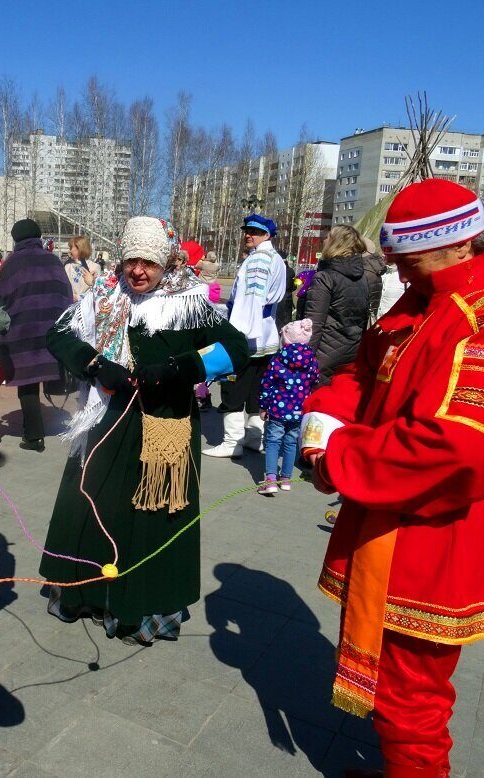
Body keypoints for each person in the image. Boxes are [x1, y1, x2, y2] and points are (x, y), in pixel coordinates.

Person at [301, 179, 484, 777]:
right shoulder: (430, 293)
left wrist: (341, 461)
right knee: (391, 684)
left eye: (407, 262)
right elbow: (369, 367)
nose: (399, 276)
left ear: (455, 245)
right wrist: (323, 417)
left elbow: (458, 448)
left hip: (441, 529)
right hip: (396, 513)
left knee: (413, 699)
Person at [41, 216, 249, 643]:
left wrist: (180, 368)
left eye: (149, 263)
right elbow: (58, 334)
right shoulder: (104, 293)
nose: (138, 271)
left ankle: (140, 609)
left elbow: (237, 349)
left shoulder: (189, 302)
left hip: (163, 429)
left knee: (152, 519)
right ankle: (87, 595)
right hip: (107, 423)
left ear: (166, 262)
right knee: (94, 510)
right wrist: (95, 364)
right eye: (131, 260)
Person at [203, 213, 286, 458]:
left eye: (255, 231)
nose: (248, 235)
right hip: (266, 336)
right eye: (247, 230)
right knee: (256, 390)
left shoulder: (258, 260)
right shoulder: (275, 258)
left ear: (267, 234)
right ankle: (252, 438)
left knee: (233, 387)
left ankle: (233, 442)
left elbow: (250, 300)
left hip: (249, 336)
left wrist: (236, 336)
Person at [0, 219, 74, 451]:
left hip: (22, 331)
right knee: (45, 371)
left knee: (27, 384)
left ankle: (33, 436)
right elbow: (66, 293)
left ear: (16, 238)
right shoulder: (54, 260)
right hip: (51, 330)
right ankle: (46, 427)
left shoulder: (12, 263)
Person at [304, 225, 380, 385]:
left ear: (336, 243)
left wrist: (303, 359)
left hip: (323, 355)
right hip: (351, 353)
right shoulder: (362, 278)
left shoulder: (324, 278)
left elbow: (313, 325)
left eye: (329, 236)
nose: (324, 239)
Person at [257, 318, 318, 495]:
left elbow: (266, 384)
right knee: (291, 442)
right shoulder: (311, 360)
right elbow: (315, 379)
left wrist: (263, 406)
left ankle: (270, 479)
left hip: (278, 408)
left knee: (273, 442)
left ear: (286, 339)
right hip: (299, 409)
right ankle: (286, 478)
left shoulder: (278, 359)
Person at [63, 235, 101, 301]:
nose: (70, 250)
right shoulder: (67, 266)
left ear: (79, 248)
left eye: (71, 247)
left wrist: (78, 297)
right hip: (68, 304)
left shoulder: (95, 267)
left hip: (85, 306)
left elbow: (98, 290)